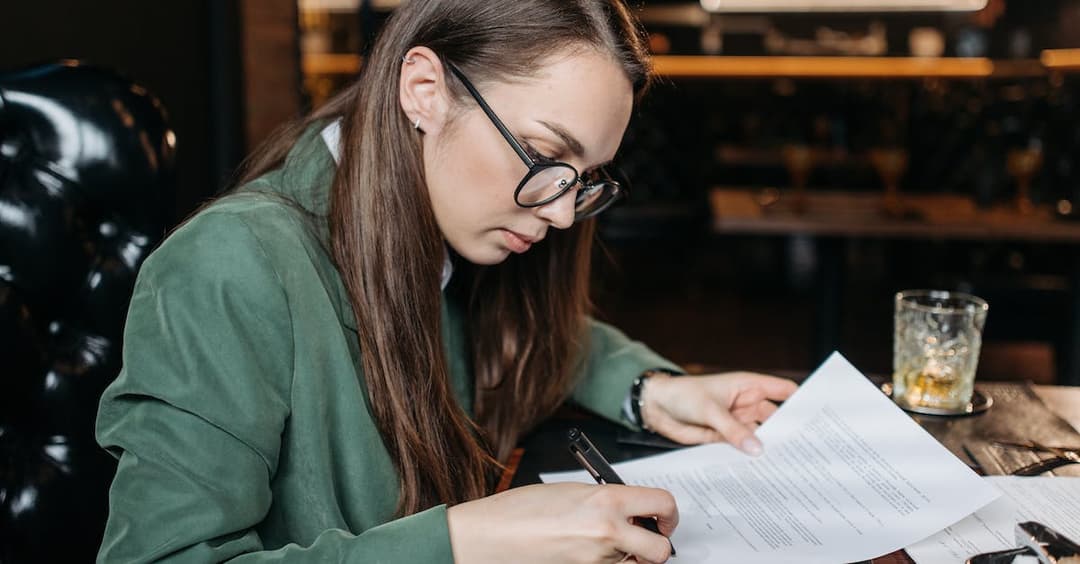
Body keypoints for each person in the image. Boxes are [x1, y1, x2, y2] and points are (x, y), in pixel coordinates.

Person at [95, 0, 798, 562]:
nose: (559, 212)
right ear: (424, 90)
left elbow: (537, 333)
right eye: (545, 154)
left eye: (584, 180)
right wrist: (467, 543)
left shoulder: (449, 233)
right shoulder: (229, 265)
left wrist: (650, 389)